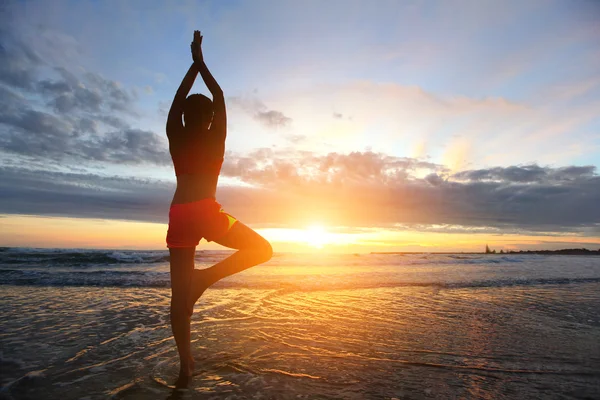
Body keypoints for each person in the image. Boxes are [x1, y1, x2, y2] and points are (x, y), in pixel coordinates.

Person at [165, 30, 273, 388]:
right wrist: (200, 59)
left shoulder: (175, 135)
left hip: (180, 214)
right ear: (211, 117)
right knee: (262, 249)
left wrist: (192, 64)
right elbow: (220, 94)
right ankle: (206, 279)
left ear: (183, 116)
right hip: (207, 213)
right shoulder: (216, 137)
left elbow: (181, 97)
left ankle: (186, 365)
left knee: (179, 298)